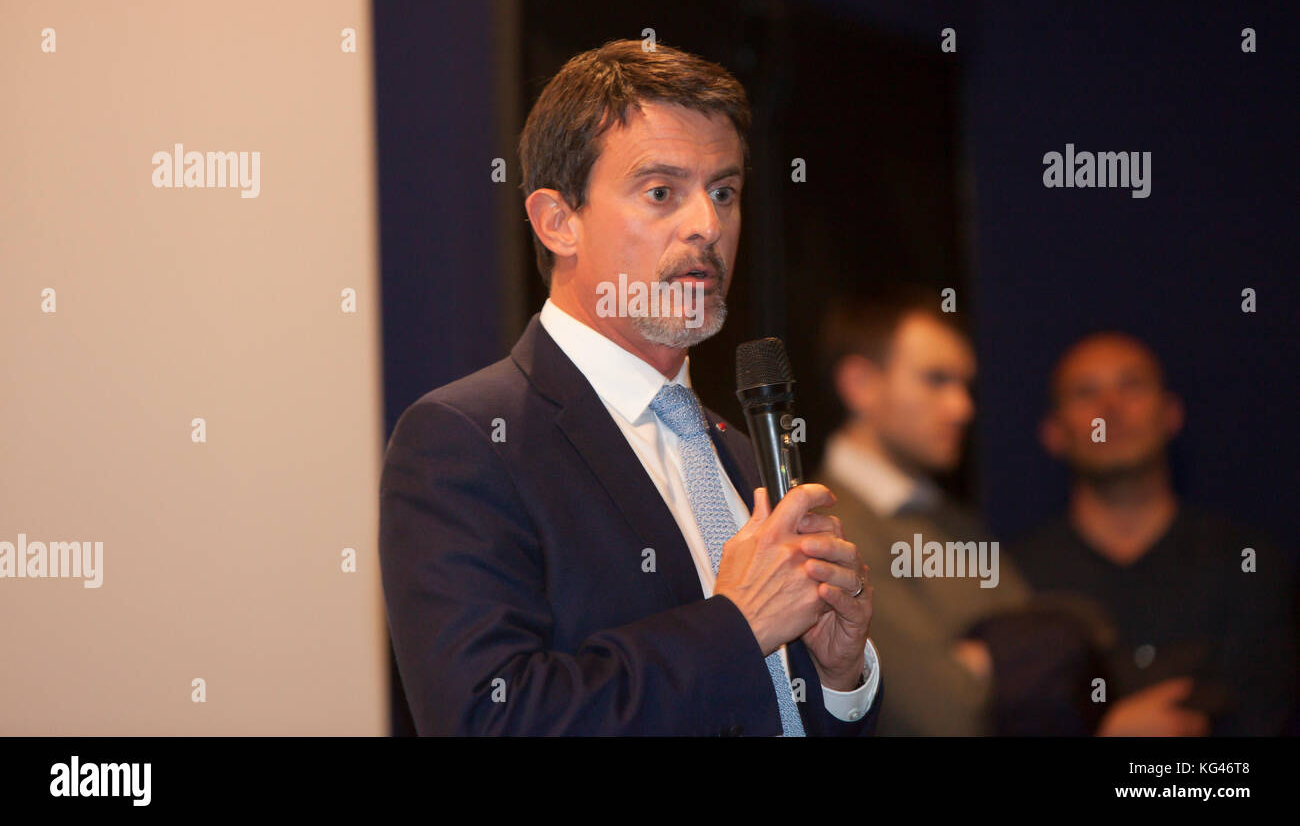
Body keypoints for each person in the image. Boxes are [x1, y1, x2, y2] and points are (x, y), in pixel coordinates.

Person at [379, 39, 882, 735]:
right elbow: (489, 719)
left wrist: (838, 679)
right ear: (558, 221)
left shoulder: (738, 452)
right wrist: (737, 626)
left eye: (724, 192)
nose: (707, 225)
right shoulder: (467, 440)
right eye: (661, 192)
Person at [813, 291, 1095, 736]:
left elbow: (1064, 652)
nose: (963, 408)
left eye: (966, 386)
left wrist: (994, 660)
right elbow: (942, 714)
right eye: (936, 379)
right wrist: (1012, 659)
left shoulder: (951, 518)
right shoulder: (827, 530)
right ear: (860, 384)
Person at [1014, 332, 1298, 735]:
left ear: (1170, 414)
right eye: (1085, 393)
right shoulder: (1013, 581)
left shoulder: (1251, 566)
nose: (1110, 409)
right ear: (1054, 432)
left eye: (1131, 386)